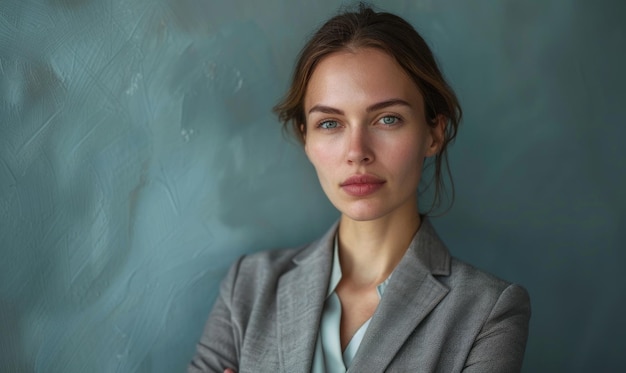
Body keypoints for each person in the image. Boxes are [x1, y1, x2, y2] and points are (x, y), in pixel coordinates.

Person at [189, 4, 530, 372]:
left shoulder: (489, 311)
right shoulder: (249, 286)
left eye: (387, 119)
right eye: (330, 124)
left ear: (434, 133)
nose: (357, 152)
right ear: (305, 138)